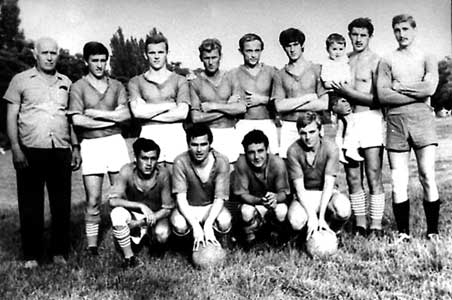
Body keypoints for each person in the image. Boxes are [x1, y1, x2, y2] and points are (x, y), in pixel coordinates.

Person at [4, 37, 81, 268]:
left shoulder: (66, 82)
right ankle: (31, 255)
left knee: (61, 205)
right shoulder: (20, 80)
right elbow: (10, 117)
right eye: (44, 52)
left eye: (53, 53)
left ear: (59, 55)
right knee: (30, 204)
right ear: (34, 54)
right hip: (30, 150)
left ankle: (59, 252)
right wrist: (16, 148)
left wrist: (75, 147)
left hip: (60, 150)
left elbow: (71, 119)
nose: (49, 57)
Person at [377, 14, 440, 241]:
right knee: (398, 180)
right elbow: (383, 95)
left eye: (405, 29)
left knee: (427, 175)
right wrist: (416, 93)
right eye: (397, 30)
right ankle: (403, 233)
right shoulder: (387, 59)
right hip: (395, 122)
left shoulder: (427, 56)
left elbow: (430, 89)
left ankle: (432, 231)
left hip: (423, 121)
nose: (401, 34)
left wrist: (400, 87)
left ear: (414, 30)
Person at [69, 42, 131, 255]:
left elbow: (126, 115)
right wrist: (112, 119)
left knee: (120, 193)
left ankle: (126, 240)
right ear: (86, 61)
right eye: (95, 60)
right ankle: (92, 247)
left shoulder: (116, 86)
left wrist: (97, 114)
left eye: (103, 60)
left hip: (115, 141)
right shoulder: (78, 86)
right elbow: (78, 121)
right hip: (91, 144)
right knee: (93, 198)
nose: (99, 65)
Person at [330, 18, 386, 237]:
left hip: (370, 119)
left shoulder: (377, 61)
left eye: (363, 35)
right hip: (348, 122)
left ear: (370, 36)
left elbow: (379, 98)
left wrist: (348, 93)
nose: (358, 39)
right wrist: (337, 106)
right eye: (354, 34)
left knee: (373, 174)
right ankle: (360, 224)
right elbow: (332, 92)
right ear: (349, 35)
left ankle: (376, 225)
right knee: (353, 177)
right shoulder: (342, 60)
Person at [108, 138, 174, 268]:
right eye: (144, 158)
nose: (149, 163)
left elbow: (167, 208)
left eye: (153, 158)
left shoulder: (163, 174)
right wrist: (140, 206)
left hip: (156, 215)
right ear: (136, 158)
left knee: (162, 233)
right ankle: (130, 258)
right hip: (135, 213)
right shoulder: (127, 170)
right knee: (117, 214)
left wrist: (143, 222)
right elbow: (113, 200)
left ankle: (151, 241)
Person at [128, 29, 189, 164]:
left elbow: (183, 113)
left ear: (167, 53)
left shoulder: (180, 80)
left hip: (175, 134)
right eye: (152, 53)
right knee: (152, 182)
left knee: (178, 180)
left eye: (160, 52)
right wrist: (169, 105)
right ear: (145, 55)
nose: (156, 56)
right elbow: (138, 112)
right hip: (149, 133)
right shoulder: (136, 81)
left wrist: (148, 111)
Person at [286, 112, 351, 239]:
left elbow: (328, 184)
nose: (307, 137)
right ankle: (306, 236)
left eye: (312, 132)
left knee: (343, 209)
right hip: (305, 194)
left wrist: (320, 218)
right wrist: (312, 217)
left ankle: (333, 231)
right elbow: (299, 190)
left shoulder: (330, 148)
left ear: (320, 130)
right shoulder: (293, 150)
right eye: (303, 133)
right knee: (296, 221)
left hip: (327, 192)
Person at [170, 124, 232, 251]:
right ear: (188, 145)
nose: (199, 149)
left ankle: (219, 242)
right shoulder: (180, 161)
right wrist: (196, 227)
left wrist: (208, 224)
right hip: (189, 206)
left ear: (210, 145)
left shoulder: (221, 161)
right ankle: (189, 246)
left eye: (203, 144)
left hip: (210, 206)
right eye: (194, 144)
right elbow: (181, 199)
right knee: (179, 224)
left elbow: (219, 198)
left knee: (224, 221)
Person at [273, 28, 329, 158]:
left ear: (302, 45)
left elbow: (323, 104)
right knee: (289, 171)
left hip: (312, 126)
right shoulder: (280, 74)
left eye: (295, 45)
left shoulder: (316, 69)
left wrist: (290, 105)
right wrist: (308, 98)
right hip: (289, 126)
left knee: (315, 169)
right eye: (288, 46)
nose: (292, 50)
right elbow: (279, 106)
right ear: (283, 48)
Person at [190, 38, 246, 163]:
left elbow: (241, 108)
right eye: (207, 58)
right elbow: (196, 117)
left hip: (230, 133)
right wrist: (228, 107)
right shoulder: (195, 82)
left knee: (232, 175)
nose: (210, 62)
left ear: (220, 57)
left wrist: (213, 106)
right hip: (207, 138)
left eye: (214, 57)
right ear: (201, 58)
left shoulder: (231, 77)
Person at [232, 130, 290, 245]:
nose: (257, 156)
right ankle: (251, 239)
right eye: (251, 152)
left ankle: (276, 236)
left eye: (260, 151)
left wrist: (275, 198)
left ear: (267, 150)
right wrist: (260, 201)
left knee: (282, 210)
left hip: (272, 204)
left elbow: (284, 193)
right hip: (253, 204)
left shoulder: (277, 163)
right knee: (246, 211)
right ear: (245, 152)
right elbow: (242, 195)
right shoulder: (241, 163)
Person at [231, 33, 280, 155]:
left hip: (267, 122)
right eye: (249, 51)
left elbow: (281, 99)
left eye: (257, 50)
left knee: (272, 160)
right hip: (243, 123)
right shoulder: (233, 73)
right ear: (241, 51)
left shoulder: (272, 71)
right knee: (242, 162)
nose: (253, 55)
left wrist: (262, 99)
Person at [321, 33, 362, 163]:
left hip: (344, 93)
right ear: (328, 49)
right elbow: (325, 82)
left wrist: (346, 86)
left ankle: (339, 151)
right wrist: (337, 84)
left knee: (341, 126)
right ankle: (350, 148)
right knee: (350, 121)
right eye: (334, 49)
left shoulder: (344, 63)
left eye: (340, 49)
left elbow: (348, 79)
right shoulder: (327, 64)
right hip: (335, 94)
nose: (337, 52)